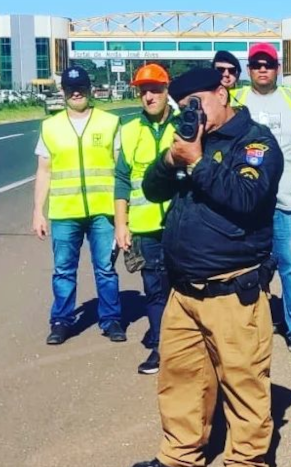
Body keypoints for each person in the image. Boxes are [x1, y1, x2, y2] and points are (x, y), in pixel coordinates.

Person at [129, 68, 283, 467]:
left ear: (222, 91)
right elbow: (153, 189)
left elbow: (246, 199)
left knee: (243, 379)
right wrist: (171, 160)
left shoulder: (254, 143)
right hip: (185, 289)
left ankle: (246, 464)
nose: (190, 112)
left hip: (232, 291)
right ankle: (181, 452)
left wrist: (196, 161)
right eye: (183, 107)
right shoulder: (189, 138)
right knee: (180, 378)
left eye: (197, 102)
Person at [232, 43, 291, 360]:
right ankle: (246, 328)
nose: (263, 69)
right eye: (257, 64)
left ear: (278, 68)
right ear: (249, 69)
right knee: (243, 269)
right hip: (246, 205)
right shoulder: (236, 102)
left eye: (269, 64)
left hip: (289, 202)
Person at [31, 65, 125, 345]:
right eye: (70, 88)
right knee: (63, 270)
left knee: (106, 269)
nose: (76, 93)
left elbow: (121, 169)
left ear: (90, 89)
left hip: (103, 211)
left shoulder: (109, 122)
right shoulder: (50, 126)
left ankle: (111, 319)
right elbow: (44, 170)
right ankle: (61, 320)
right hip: (64, 212)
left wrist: (124, 213)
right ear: (62, 92)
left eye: (81, 87)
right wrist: (38, 211)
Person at [114, 64, 176, 374]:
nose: (149, 96)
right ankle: (159, 349)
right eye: (143, 91)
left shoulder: (184, 126)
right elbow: (122, 181)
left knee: (185, 287)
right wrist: (121, 224)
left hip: (180, 225)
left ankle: (189, 347)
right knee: (154, 289)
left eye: (155, 89)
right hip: (145, 226)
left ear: (167, 90)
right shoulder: (127, 131)